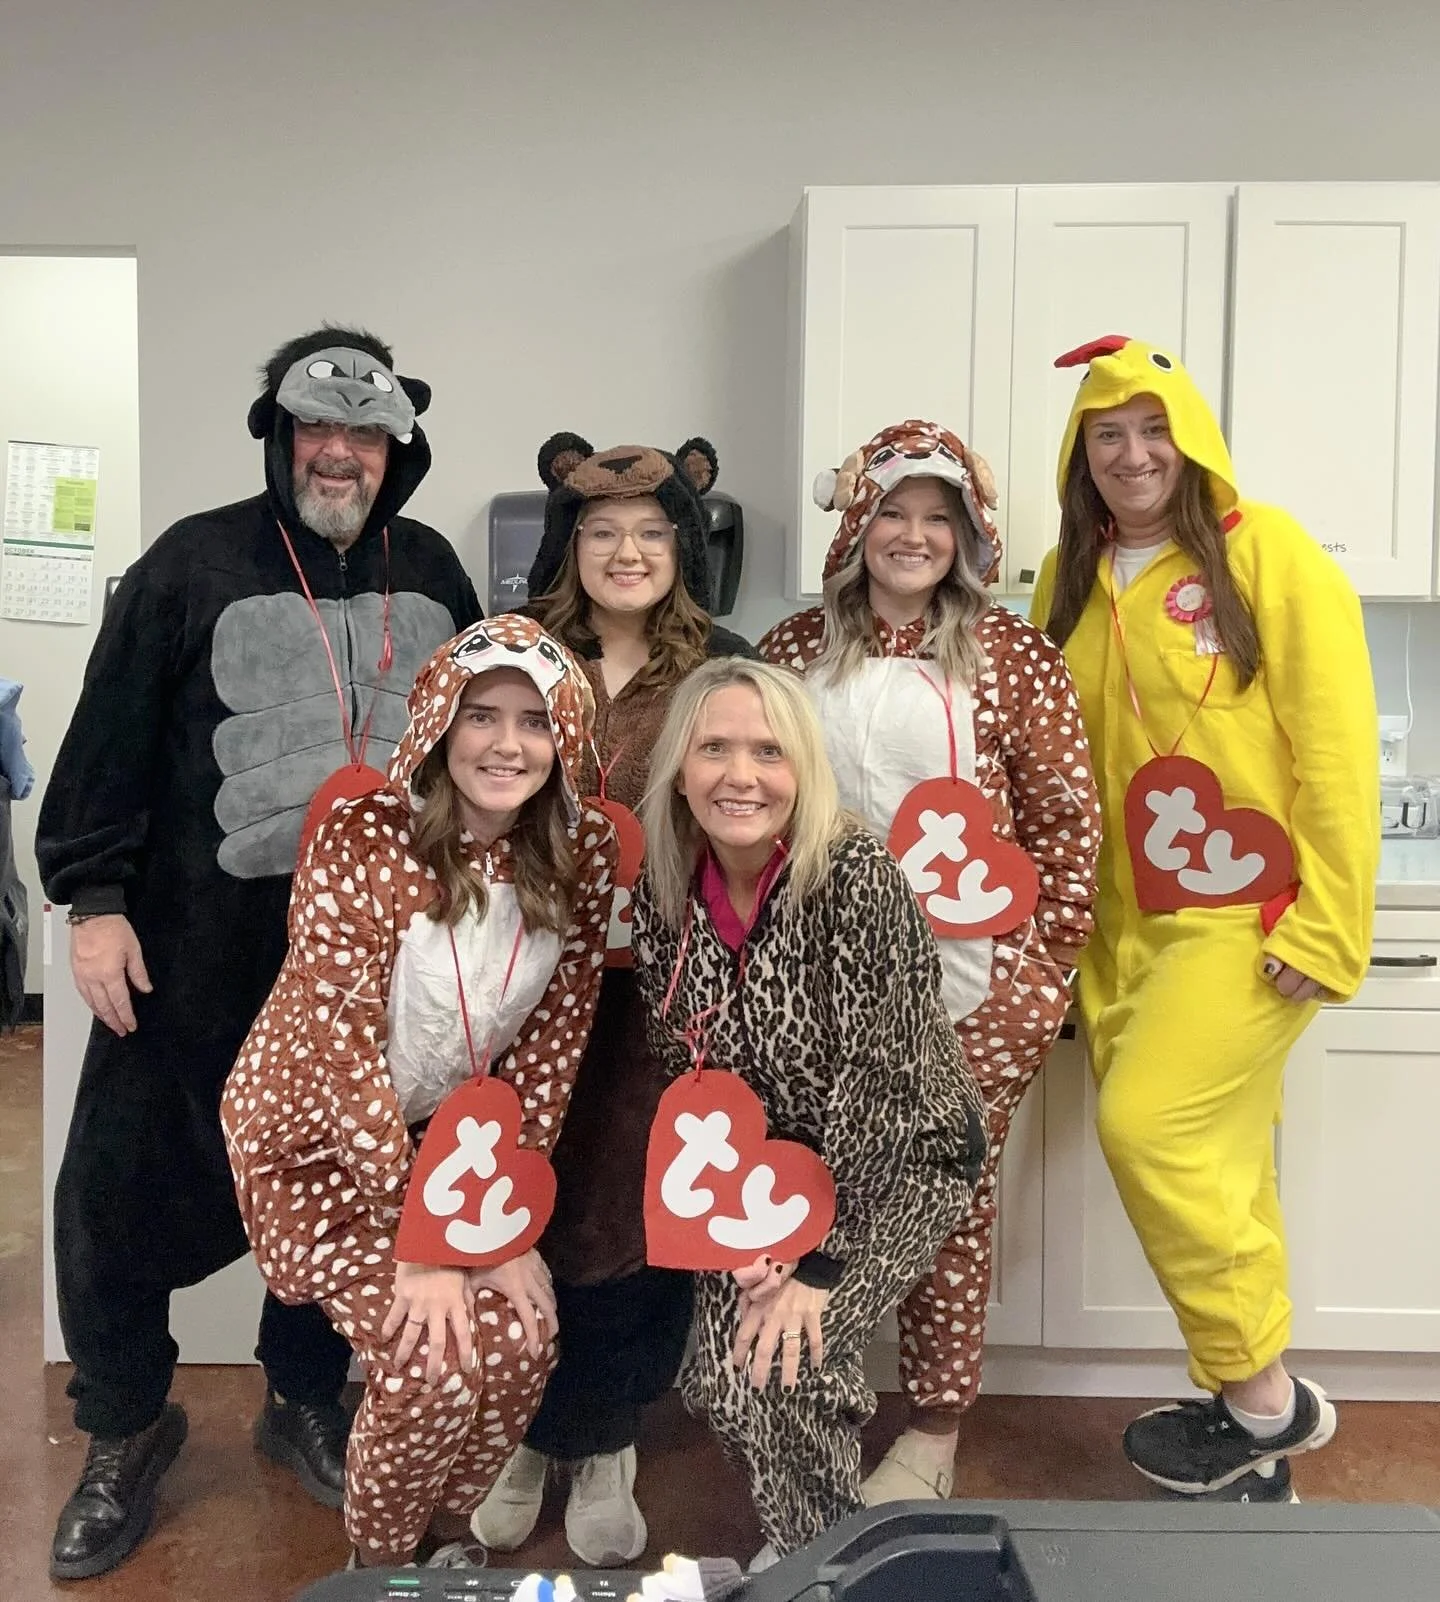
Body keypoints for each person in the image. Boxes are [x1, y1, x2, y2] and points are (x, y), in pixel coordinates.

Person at [36, 325, 482, 1580]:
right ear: (282, 434)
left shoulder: (437, 569)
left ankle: (301, 1400)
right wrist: (95, 899)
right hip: (194, 950)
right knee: (116, 1192)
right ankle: (125, 1427)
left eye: (365, 432)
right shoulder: (189, 563)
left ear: (398, 443)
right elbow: (107, 736)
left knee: (333, 1180)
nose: (339, 453)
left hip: (370, 965)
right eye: (316, 430)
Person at [1031, 335, 1379, 1498]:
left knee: (1149, 1128)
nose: (1133, 455)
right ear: (1081, 453)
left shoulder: (1264, 552)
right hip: (1116, 930)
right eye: (1107, 433)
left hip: (1242, 912)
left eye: (1153, 428)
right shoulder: (1063, 574)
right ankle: (1252, 1441)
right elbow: (1041, 757)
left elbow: (1333, 750)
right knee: (1222, 1171)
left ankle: (1262, 1398)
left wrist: (1328, 924)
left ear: (1192, 437)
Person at [222, 614, 618, 1569]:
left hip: (449, 1151)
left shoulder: (584, 853)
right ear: (442, 722)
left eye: (535, 722)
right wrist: (428, 1241)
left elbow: (547, 1062)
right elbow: (341, 1054)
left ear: (566, 737)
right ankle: (380, 1568)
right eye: (483, 716)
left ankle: (439, 1542)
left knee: (522, 1345)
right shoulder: (366, 835)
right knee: (431, 1363)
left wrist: (504, 1228)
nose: (508, 745)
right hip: (317, 1139)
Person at [760, 419, 1100, 1503]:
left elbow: (1066, 826)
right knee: (815, 1197)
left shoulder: (1012, 659)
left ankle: (936, 1424)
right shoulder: (789, 650)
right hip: (806, 991)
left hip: (971, 989)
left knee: (945, 1207)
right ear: (858, 523)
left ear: (969, 538)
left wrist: (1035, 979)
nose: (913, 537)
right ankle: (806, 1400)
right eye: (893, 513)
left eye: (937, 520)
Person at [630, 657, 988, 1565]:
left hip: (898, 1164)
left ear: (804, 769)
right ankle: (808, 1543)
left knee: (785, 1370)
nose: (740, 775)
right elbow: (686, 1070)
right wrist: (740, 1225)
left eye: (767, 751)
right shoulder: (666, 886)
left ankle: (822, 1563)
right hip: (759, 1173)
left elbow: (883, 1099)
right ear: (681, 765)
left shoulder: (856, 880)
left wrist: (814, 1265)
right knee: (722, 1377)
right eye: (715, 747)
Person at [472, 433, 754, 1567]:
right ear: (565, 546)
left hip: (666, 996)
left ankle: (604, 1442)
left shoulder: (721, 667)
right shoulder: (514, 659)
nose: (627, 552)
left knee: (630, 1218)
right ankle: (522, 1434)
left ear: (683, 547)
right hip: (519, 984)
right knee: (517, 1200)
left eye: (650, 531)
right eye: (601, 532)